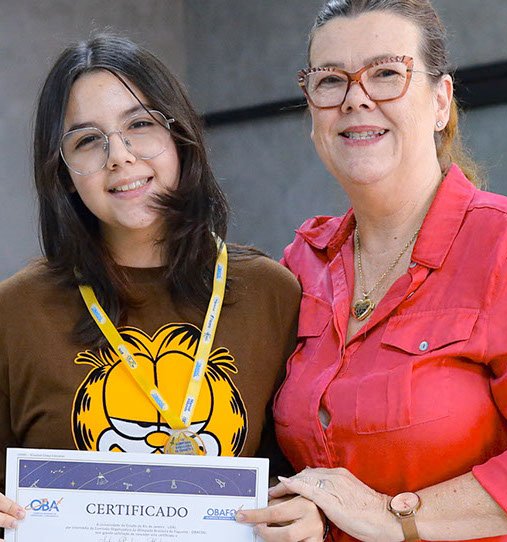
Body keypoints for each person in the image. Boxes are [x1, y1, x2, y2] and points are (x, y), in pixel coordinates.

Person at [0, 33, 312, 537]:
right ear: (63, 172)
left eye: (140, 125)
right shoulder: (15, 312)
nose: (119, 156)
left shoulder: (273, 294)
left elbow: (301, 475)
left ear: (179, 135)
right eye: (87, 140)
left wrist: (306, 512)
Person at [238, 1, 507, 540]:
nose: (356, 98)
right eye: (330, 80)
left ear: (440, 102)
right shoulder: (302, 264)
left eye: (387, 73)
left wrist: (395, 517)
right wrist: (308, 507)